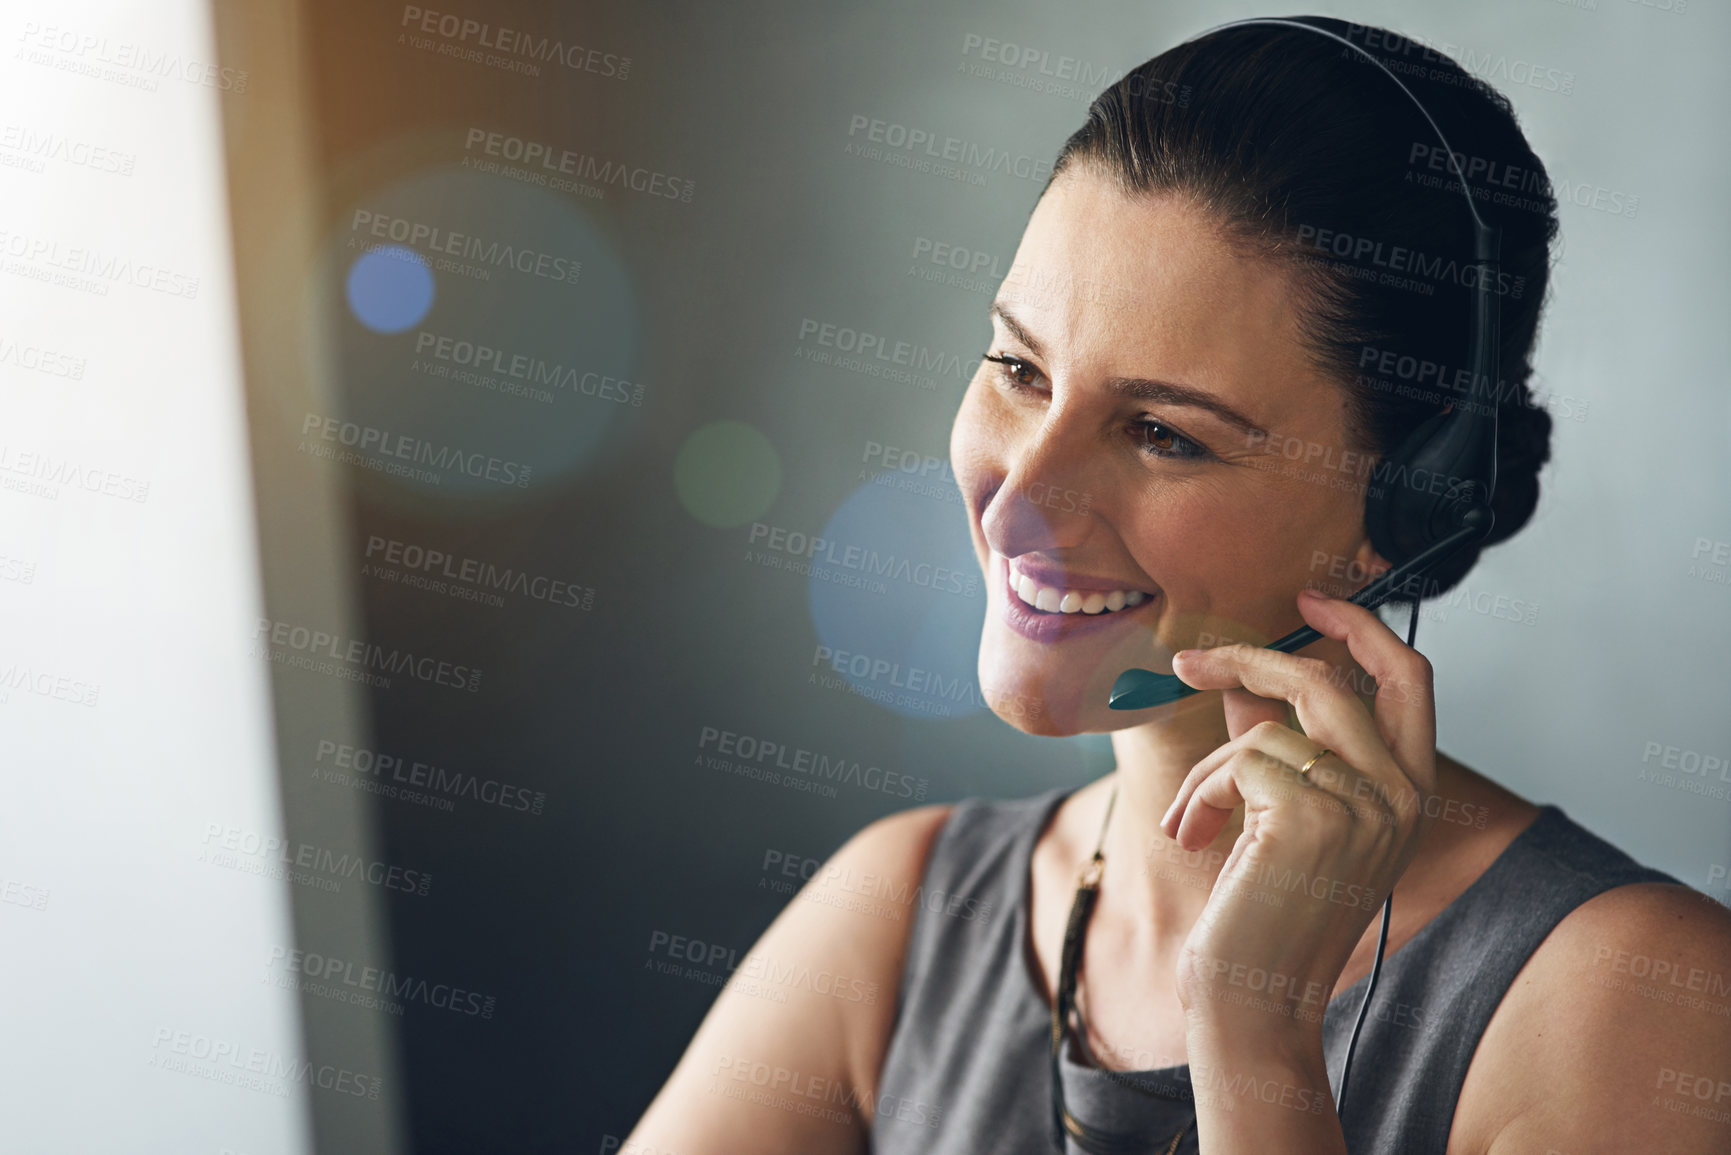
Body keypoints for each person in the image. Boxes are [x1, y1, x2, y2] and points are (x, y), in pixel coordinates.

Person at [627, 16, 1731, 1153]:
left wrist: (1254, 1034)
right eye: (1017, 369)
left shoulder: (1635, 1001)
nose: (1018, 506)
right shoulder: (904, 908)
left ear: (1405, 503)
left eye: (1161, 433)